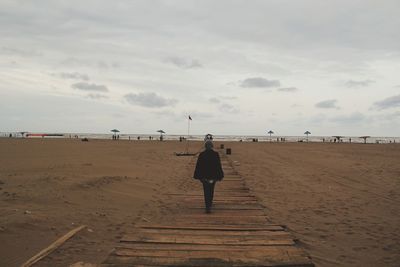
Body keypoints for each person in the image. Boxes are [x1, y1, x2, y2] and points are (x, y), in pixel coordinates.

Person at [193, 140, 224, 213]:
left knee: (206, 191)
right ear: (212, 146)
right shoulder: (216, 154)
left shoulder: (202, 154)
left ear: (205, 146)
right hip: (213, 176)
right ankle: (209, 205)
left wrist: (198, 176)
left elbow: (198, 166)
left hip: (204, 177)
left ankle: (208, 206)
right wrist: (220, 176)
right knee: (211, 190)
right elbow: (218, 166)